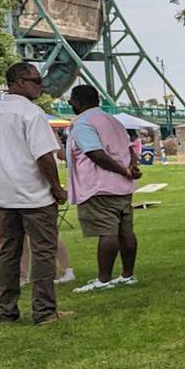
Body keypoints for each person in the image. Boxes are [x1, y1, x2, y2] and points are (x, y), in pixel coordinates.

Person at [0, 62, 74, 324]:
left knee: (8, 253)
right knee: (43, 251)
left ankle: (7, 311)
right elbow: (44, 156)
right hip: (33, 194)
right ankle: (45, 311)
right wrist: (57, 188)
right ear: (20, 82)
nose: (40, 86)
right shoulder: (31, 114)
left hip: (2, 195)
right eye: (36, 81)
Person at [65, 85, 143, 293]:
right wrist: (131, 168)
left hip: (98, 187)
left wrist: (123, 171)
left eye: (71, 101)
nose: (70, 104)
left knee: (107, 233)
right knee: (125, 232)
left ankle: (104, 279)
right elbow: (129, 150)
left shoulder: (83, 123)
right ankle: (127, 275)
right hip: (122, 188)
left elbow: (96, 154)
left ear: (79, 102)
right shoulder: (113, 121)